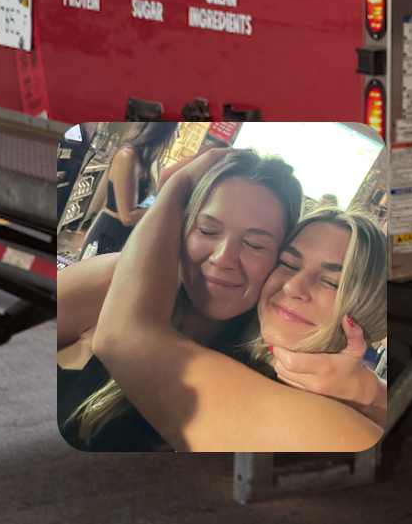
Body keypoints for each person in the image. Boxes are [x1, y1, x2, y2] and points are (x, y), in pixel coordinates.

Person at [90, 149, 389, 452]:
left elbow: (122, 336)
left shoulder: (347, 433)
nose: (292, 286)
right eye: (287, 263)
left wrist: (178, 185)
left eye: (331, 282)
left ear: (371, 306)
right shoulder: (225, 345)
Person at [77, 122, 177, 259]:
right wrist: (166, 209)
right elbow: (128, 216)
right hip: (108, 235)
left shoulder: (145, 159)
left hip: (125, 237)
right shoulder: (127, 156)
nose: (176, 136)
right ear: (162, 131)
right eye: (175, 130)